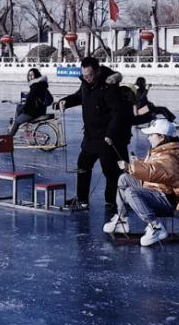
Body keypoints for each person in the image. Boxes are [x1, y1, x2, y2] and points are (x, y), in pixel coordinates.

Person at [104, 116, 179, 247]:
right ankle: (121, 220)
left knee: (131, 192)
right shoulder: (160, 150)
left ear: (162, 137)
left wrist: (130, 167)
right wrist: (137, 163)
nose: (148, 137)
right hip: (155, 190)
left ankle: (156, 227)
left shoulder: (170, 156)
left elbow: (154, 172)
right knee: (124, 179)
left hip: (166, 199)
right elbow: (153, 169)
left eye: (151, 135)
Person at [54, 56, 130, 211]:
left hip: (107, 137)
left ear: (98, 71)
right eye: (84, 75)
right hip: (90, 135)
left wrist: (110, 134)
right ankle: (82, 200)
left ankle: (111, 201)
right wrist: (64, 102)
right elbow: (79, 97)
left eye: (90, 75)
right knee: (83, 165)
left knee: (110, 170)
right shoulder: (85, 84)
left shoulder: (109, 88)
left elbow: (118, 113)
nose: (87, 78)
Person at [8, 68, 53, 135]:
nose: (30, 77)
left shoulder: (35, 86)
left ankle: (9, 138)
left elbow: (30, 100)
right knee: (20, 107)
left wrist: (23, 108)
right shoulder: (41, 85)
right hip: (40, 111)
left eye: (32, 75)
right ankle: (23, 129)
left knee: (17, 122)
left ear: (36, 75)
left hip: (33, 112)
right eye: (29, 75)